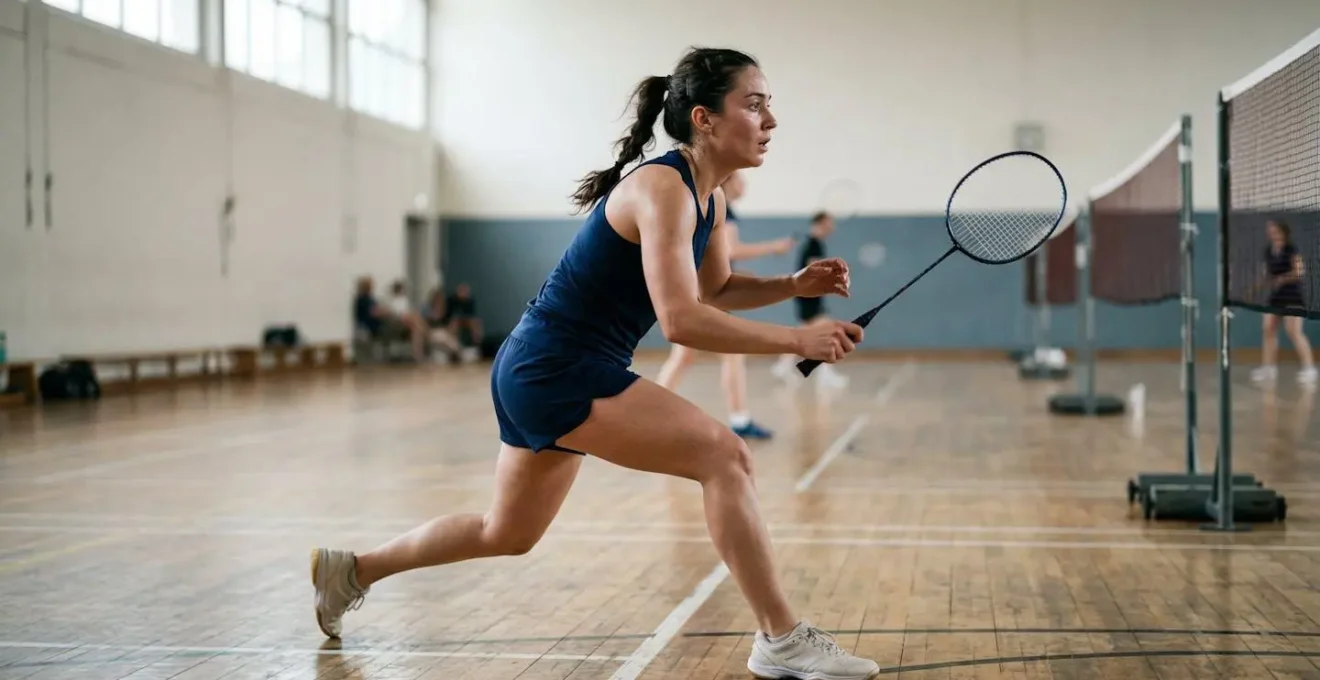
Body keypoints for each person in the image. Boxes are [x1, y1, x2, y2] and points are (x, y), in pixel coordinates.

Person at [310, 47, 879, 680]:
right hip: (556, 365)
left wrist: (792, 285)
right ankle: (780, 637)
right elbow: (682, 320)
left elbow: (712, 289)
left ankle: (352, 571)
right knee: (725, 456)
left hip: (542, 365)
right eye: (753, 103)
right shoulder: (664, 187)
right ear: (705, 119)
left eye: (770, 104)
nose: (770, 120)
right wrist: (797, 342)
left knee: (507, 532)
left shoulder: (708, 200)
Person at [654, 169, 793, 440]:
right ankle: (738, 419)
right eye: (741, 180)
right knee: (722, 355)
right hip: (707, 294)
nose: (745, 185)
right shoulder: (724, 211)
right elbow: (731, 251)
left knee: (687, 357)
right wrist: (773, 247)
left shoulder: (709, 206)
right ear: (729, 182)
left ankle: (654, 413)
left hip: (698, 291)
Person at [771, 211, 850, 388]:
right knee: (829, 331)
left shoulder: (812, 244)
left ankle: (783, 366)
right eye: (830, 222)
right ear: (821, 223)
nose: (833, 227)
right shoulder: (814, 245)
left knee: (807, 331)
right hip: (809, 296)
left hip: (807, 295)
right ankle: (825, 375)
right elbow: (816, 270)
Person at [1252, 219, 1316, 385]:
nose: (1270, 232)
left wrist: (1282, 278)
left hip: (1292, 296)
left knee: (1293, 331)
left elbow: (1299, 272)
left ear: (1281, 231)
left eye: (1273, 229)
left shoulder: (1291, 249)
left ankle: (1309, 369)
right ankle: (1269, 369)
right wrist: (1256, 286)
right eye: (1269, 229)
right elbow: (1266, 274)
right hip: (1276, 297)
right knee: (1268, 329)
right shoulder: (1268, 251)